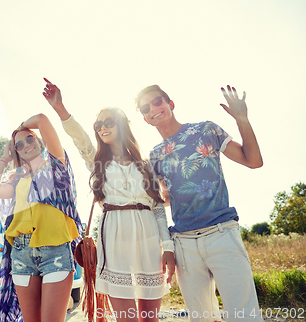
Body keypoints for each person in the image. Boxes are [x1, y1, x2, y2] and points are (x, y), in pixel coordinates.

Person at [45, 79, 175, 322]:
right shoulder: (97, 162)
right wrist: (60, 108)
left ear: (123, 125)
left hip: (148, 239)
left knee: (150, 319)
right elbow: (80, 139)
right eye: (98, 124)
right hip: (114, 237)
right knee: (127, 319)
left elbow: (157, 208)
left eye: (108, 122)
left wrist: (167, 247)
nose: (102, 127)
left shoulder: (146, 164)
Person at [136, 85, 263, 322]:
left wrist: (242, 120)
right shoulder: (154, 156)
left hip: (222, 233)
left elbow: (254, 161)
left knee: (244, 317)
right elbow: (166, 198)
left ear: (170, 103)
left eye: (157, 102)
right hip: (184, 245)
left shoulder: (206, 130)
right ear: (144, 119)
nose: (153, 109)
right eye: (146, 108)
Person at [0, 104, 83, 322]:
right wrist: (4, 158)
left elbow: (41, 118)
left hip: (55, 249)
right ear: (16, 152)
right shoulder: (17, 179)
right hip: (21, 252)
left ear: (40, 141)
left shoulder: (57, 166)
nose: (26, 145)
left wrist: (18, 129)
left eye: (30, 139)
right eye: (19, 145)